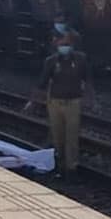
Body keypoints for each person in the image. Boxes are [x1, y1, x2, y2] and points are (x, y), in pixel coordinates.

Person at [26, 33, 94, 178]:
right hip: (55, 103)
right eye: (62, 44)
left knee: (72, 136)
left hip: (73, 102)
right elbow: (42, 83)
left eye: (67, 44)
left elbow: (87, 80)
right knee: (57, 136)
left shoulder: (80, 59)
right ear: (57, 46)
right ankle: (60, 164)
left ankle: (71, 167)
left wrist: (90, 99)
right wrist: (33, 101)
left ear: (72, 45)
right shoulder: (51, 61)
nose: (64, 47)